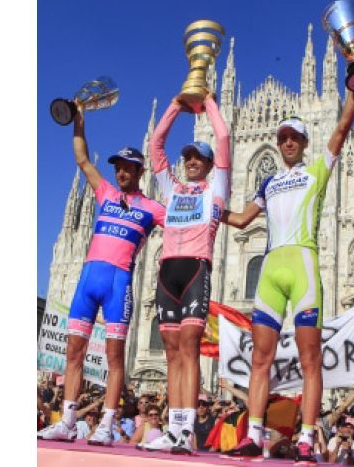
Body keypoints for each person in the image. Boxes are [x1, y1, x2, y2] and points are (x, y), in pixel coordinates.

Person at [220, 51, 354, 465]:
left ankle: (305, 436)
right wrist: (205, 210)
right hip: (270, 272)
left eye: (293, 137)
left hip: (302, 268)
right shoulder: (267, 182)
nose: (286, 142)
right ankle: (253, 433)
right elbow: (241, 220)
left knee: (310, 359)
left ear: (302, 143)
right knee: (259, 359)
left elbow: (341, 128)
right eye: (283, 136)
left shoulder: (316, 171)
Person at [37, 100, 166, 443]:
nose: (121, 173)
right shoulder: (106, 193)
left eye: (128, 168)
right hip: (88, 281)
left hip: (118, 283)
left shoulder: (152, 208)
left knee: (114, 355)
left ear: (140, 172)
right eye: (118, 168)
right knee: (73, 351)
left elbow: (181, 225)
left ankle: (108, 423)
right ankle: (67, 421)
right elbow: (82, 159)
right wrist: (79, 122)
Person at [140, 90, 231, 455]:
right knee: (171, 352)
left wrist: (208, 102)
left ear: (208, 165)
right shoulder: (173, 190)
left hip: (195, 268)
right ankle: (173, 427)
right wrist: (175, 106)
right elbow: (156, 147)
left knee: (190, 348)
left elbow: (223, 139)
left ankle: (187, 429)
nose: (193, 162)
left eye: (199, 158)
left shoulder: (216, 190)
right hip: (167, 273)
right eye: (189, 157)